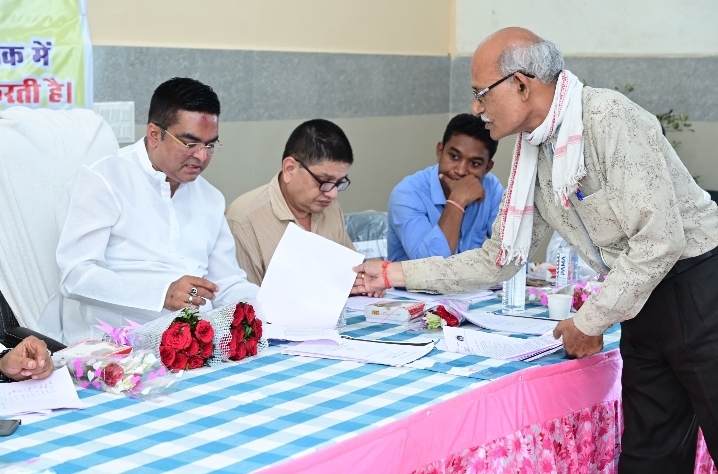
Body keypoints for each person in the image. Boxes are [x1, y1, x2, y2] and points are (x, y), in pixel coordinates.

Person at [353, 27, 718, 473]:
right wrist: (392, 274)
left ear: (522, 85)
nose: (476, 108)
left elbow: (660, 241)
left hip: (698, 290)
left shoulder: (607, 118)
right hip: (640, 299)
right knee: (650, 459)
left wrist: (590, 320)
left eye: (481, 93)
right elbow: (498, 259)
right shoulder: (536, 153)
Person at [55, 78, 258, 344]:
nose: (202, 156)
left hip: (198, 343)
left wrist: (272, 307)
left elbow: (227, 283)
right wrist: (162, 294)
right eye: (190, 143)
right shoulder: (105, 179)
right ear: (154, 135)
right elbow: (76, 275)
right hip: (115, 344)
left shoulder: (211, 198)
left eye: (210, 145)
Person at [225, 119, 356, 285]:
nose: (333, 193)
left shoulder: (330, 207)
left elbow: (349, 275)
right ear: (290, 169)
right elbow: (243, 298)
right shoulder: (243, 221)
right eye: (324, 180)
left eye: (339, 183)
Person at [386, 114, 503, 262]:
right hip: (415, 278)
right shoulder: (407, 194)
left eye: (475, 163)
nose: (461, 171)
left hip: (470, 278)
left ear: (487, 168)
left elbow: (509, 251)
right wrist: (457, 201)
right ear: (440, 151)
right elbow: (429, 267)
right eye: (454, 157)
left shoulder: (492, 188)